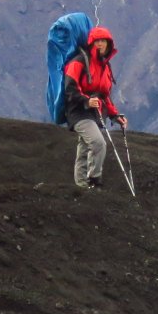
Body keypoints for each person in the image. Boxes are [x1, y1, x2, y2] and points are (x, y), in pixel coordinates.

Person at [62, 25, 127, 191]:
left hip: (94, 113)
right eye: (97, 41)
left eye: (103, 41)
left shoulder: (105, 66)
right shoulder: (78, 62)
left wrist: (115, 116)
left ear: (109, 44)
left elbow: (105, 95)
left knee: (84, 149)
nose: (100, 44)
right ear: (91, 43)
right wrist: (86, 100)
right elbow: (69, 88)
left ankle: (82, 188)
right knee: (98, 143)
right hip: (78, 112)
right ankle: (94, 181)